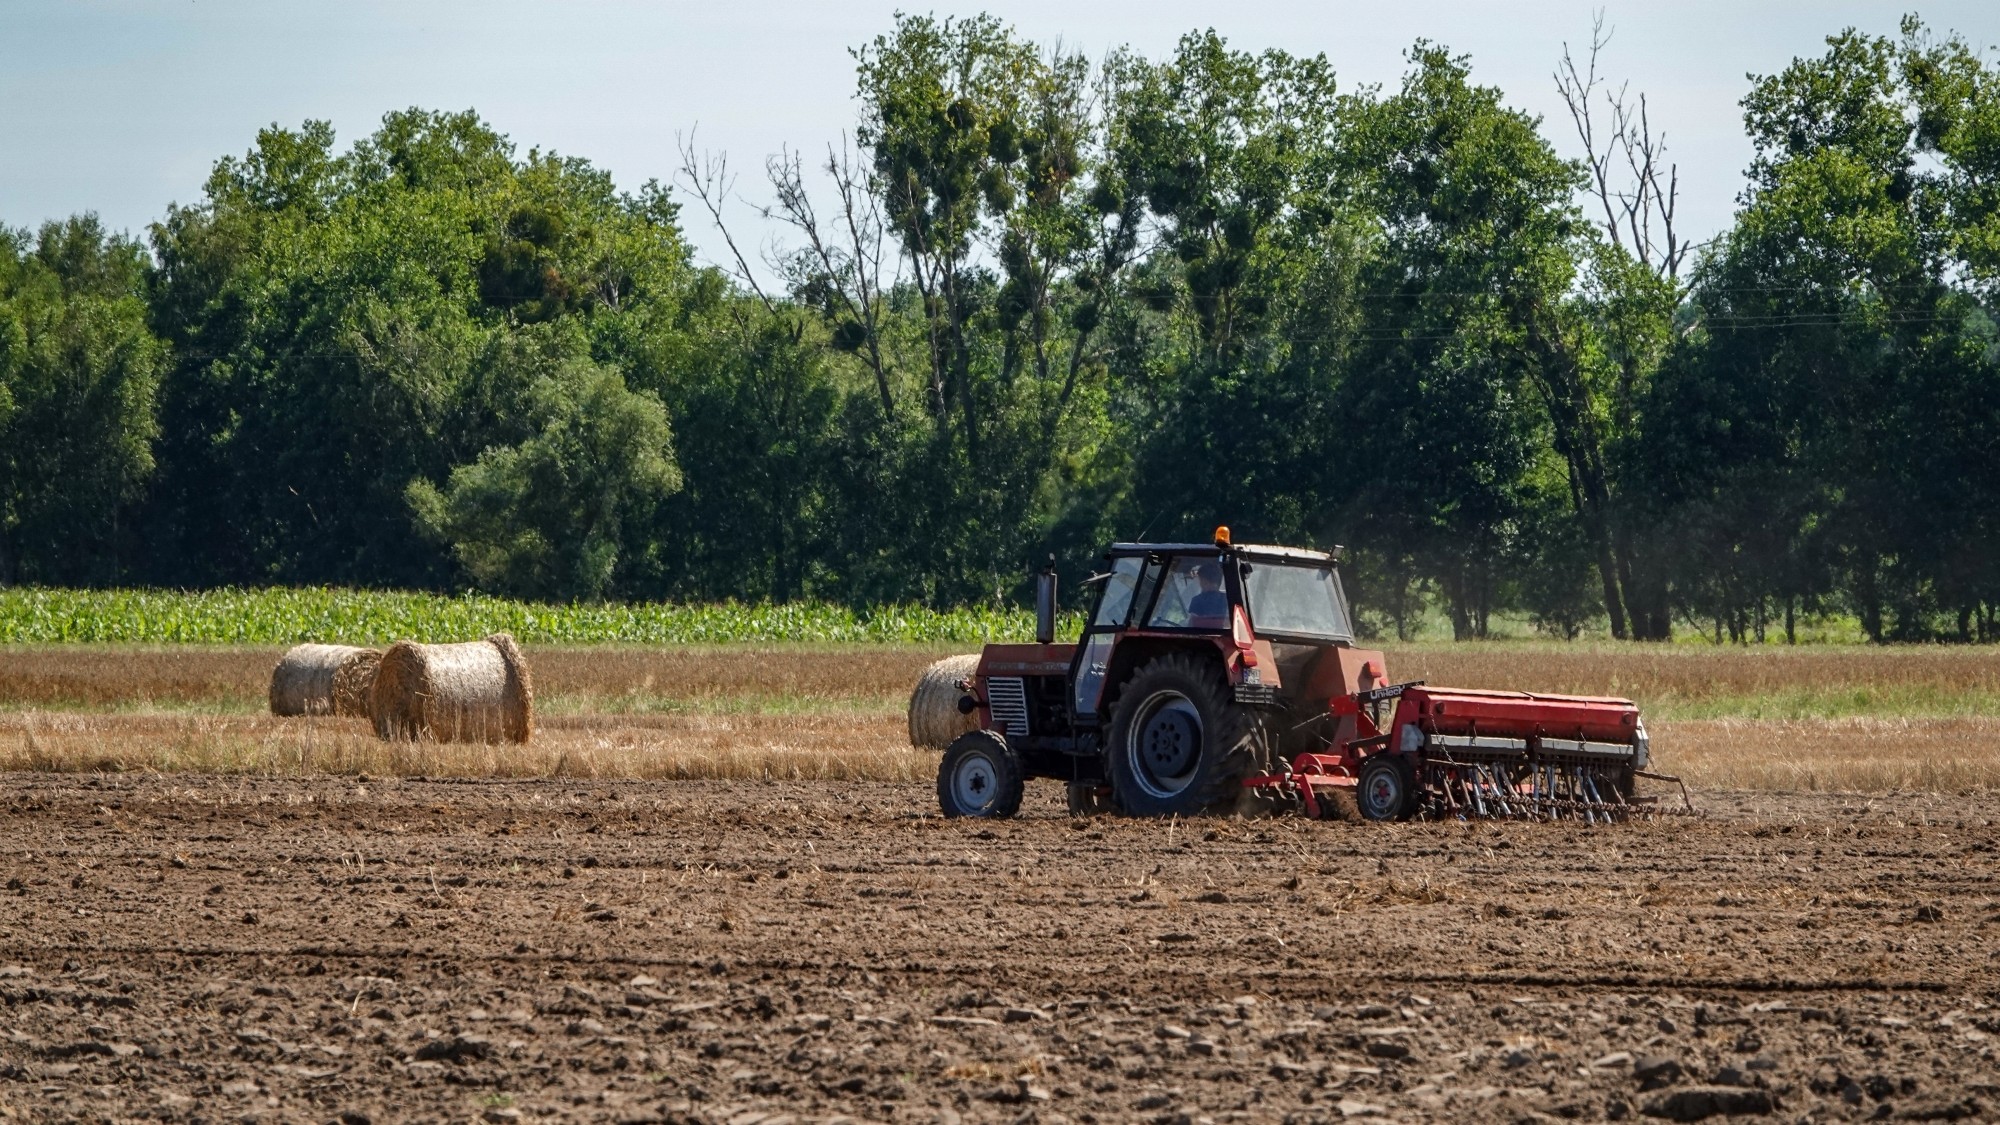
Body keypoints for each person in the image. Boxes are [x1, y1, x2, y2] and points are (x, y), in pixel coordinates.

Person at [1187, 561, 1228, 627]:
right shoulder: (1227, 600)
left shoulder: (1197, 601)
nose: (1200, 584)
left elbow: (1190, 626)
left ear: (1205, 582)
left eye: (1200, 581)